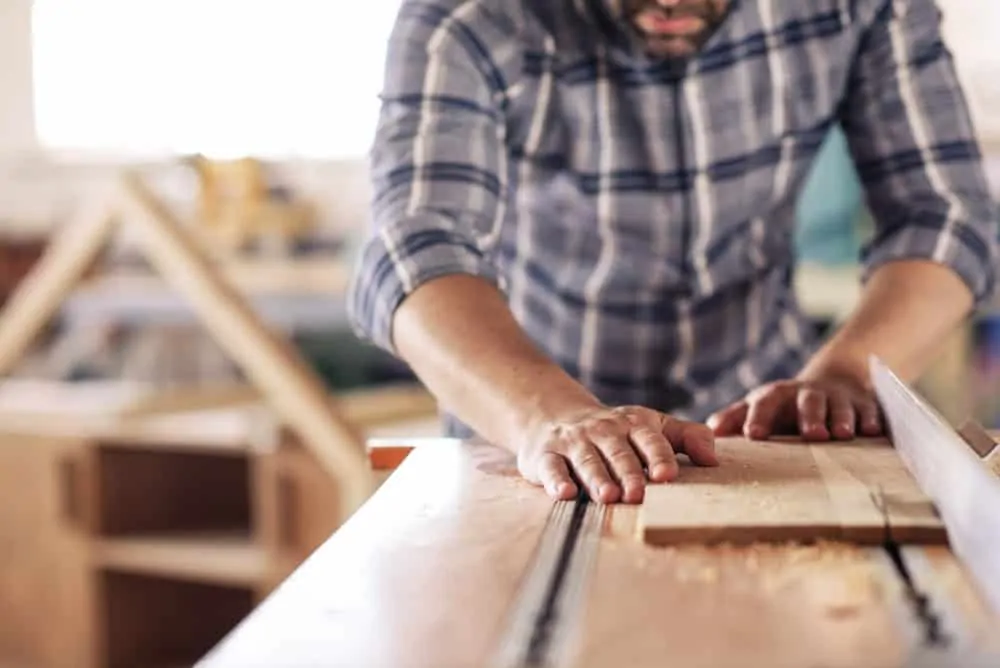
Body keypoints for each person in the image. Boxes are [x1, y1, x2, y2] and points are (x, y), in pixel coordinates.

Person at [347, 0, 999, 504]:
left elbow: (944, 214)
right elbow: (416, 245)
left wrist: (847, 375)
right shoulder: (467, 16)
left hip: (767, 433)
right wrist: (548, 415)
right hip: (527, 427)